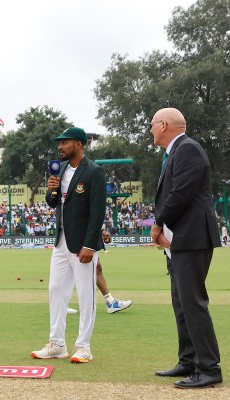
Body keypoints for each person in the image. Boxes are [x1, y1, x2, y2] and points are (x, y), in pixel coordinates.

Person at [150, 108, 222, 389]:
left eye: (152, 125)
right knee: (181, 302)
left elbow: (180, 193)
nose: (151, 130)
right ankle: (189, 360)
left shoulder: (187, 149)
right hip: (181, 237)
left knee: (192, 302)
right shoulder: (175, 152)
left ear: (164, 125)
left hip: (192, 237)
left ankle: (209, 368)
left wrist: (158, 223)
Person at [31, 127, 106, 364]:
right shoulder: (60, 169)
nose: (60, 147)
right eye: (59, 143)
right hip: (61, 240)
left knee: (85, 295)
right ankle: (57, 344)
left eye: (65, 143)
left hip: (83, 243)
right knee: (55, 289)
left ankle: (84, 347)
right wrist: (51, 190)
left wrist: (90, 245)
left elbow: (98, 212)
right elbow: (53, 202)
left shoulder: (94, 171)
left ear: (79, 144)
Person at [67, 229, 133, 315]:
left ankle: (110, 302)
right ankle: (62, 304)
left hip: (84, 234)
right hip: (77, 235)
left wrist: (101, 230)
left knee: (97, 267)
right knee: (76, 268)